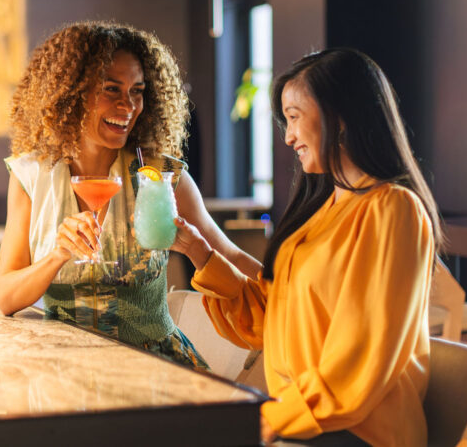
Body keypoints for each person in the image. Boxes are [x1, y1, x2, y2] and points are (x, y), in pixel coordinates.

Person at [172, 47, 442, 446]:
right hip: (311, 421)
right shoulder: (324, 209)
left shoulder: (392, 209)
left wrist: (270, 417)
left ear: (340, 116)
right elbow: (272, 319)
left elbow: (359, 356)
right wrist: (199, 253)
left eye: (294, 118)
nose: (288, 137)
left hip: (359, 430)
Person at [0, 21, 260, 367]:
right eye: (111, 89)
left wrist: (294, 291)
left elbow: (229, 255)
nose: (129, 105)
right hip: (62, 368)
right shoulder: (31, 176)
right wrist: (57, 256)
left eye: (137, 91)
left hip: (157, 368)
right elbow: (6, 297)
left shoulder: (161, 176)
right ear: (72, 93)